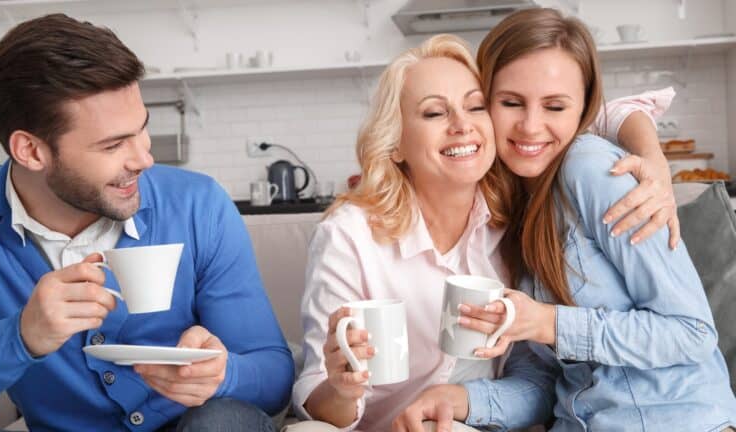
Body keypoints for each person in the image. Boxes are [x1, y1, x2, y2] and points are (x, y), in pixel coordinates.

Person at [289, 32, 677, 432]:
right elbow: (316, 394)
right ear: (396, 143)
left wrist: (652, 155)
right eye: (434, 113)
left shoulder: (516, 219)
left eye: (475, 107)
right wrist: (342, 390)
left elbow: (587, 113)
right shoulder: (349, 235)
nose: (461, 125)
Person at [400, 8, 736, 432]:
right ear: (483, 102)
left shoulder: (591, 168)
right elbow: (542, 383)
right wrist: (465, 400)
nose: (530, 126)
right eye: (510, 102)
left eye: (555, 106)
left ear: (581, 111)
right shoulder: (504, 207)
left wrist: (548, 322)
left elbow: (691, 333)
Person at [0, 14, 293, 431]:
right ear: (31, 150)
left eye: (142, 130)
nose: (144, 159)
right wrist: (20, 337)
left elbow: (275, 375)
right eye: (114, 144)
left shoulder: (198, 205)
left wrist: (222, 374)